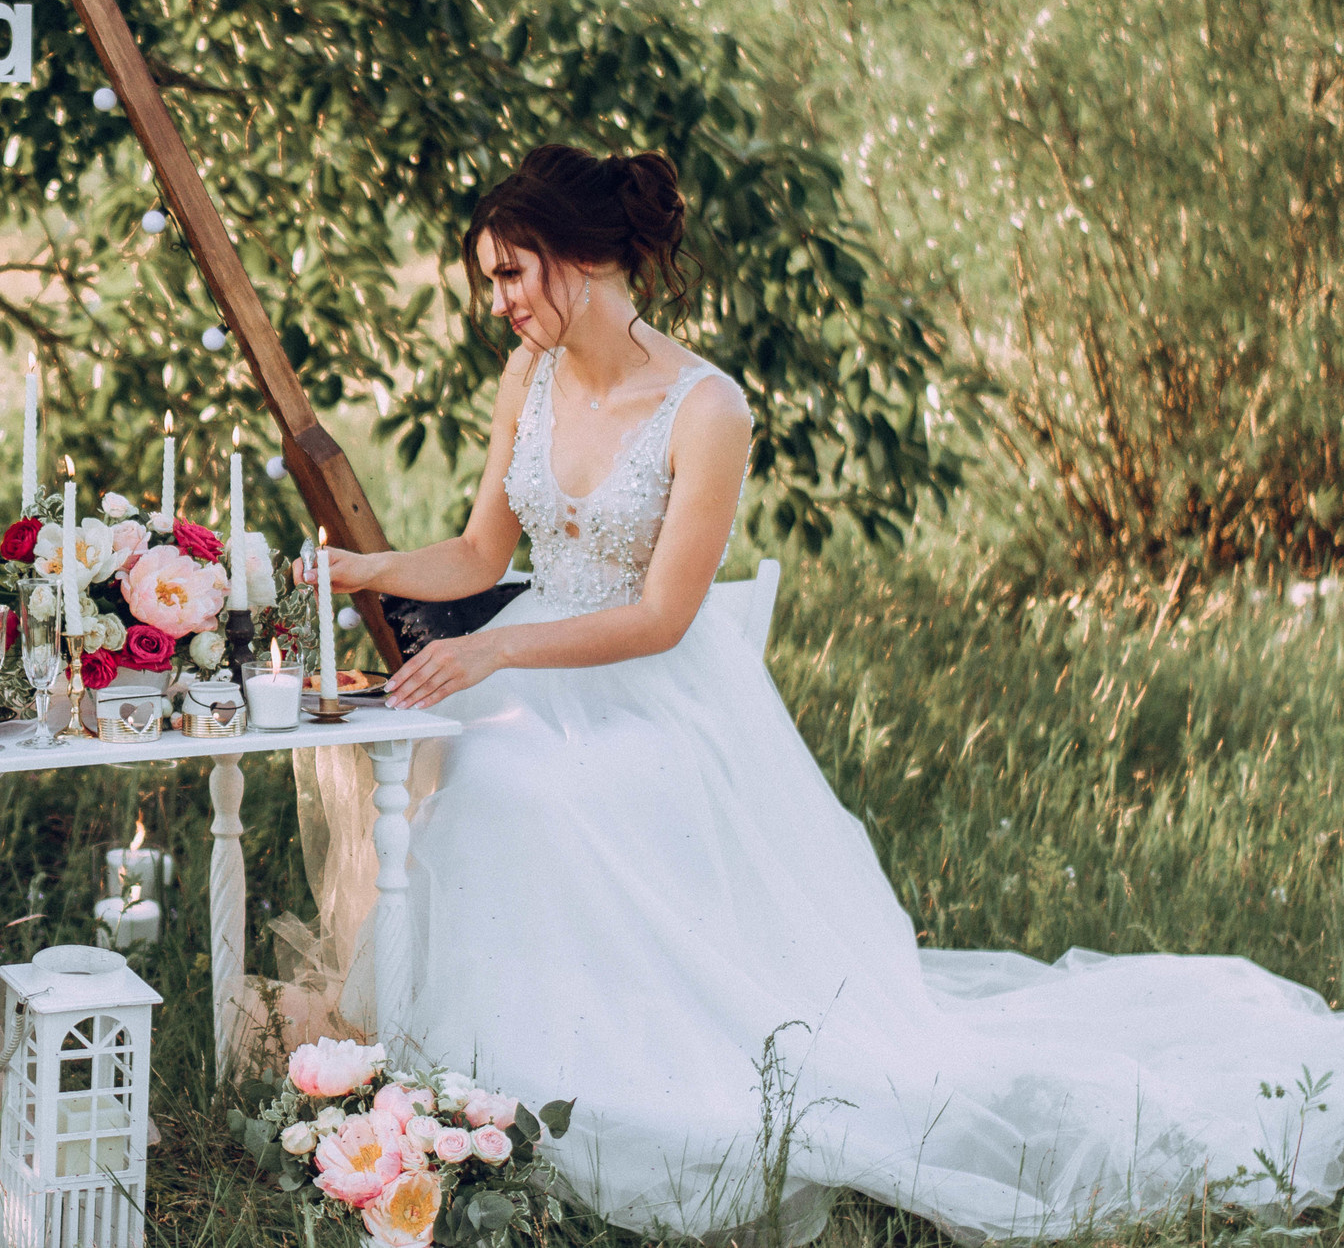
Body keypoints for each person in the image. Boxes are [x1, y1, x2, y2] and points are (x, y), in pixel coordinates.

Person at [299, 143, 1344, 1241]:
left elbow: (661, 614)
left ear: (586, 259)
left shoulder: (706, 408)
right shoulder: (532, 376)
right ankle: (462, 1085)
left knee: (526, 785)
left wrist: (498, 655)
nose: (500, 304)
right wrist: (366, 570)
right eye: (492, 281)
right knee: (476, 761)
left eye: (513, 274)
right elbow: (476, 553)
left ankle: (612, 1082)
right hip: (534, 660)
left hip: (650, 686)